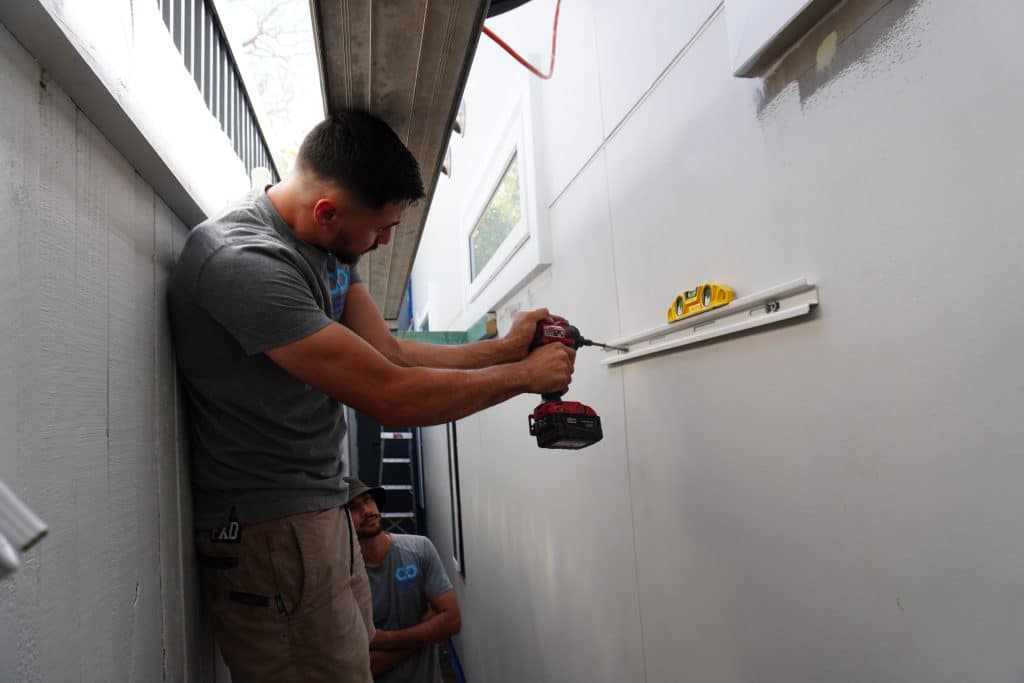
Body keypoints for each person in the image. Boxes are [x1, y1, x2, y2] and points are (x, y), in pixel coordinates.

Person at [167, 110, 575, 682]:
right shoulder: (244, 263)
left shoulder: (331, 246)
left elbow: (392, 353)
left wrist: (507, 350)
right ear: (327, 210)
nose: (384, 241)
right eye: (380, 228)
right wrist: (526, 378)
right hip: (273, 534)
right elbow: (394, 397)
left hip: (322, 510)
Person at [345, 477, 460, 682]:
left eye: (368, 500)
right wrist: (425, 630)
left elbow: (452, 621)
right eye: (353, 508)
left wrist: (388, 640)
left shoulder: (419, 549)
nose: (366, 511)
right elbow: (360, 667)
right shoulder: (344, 580)